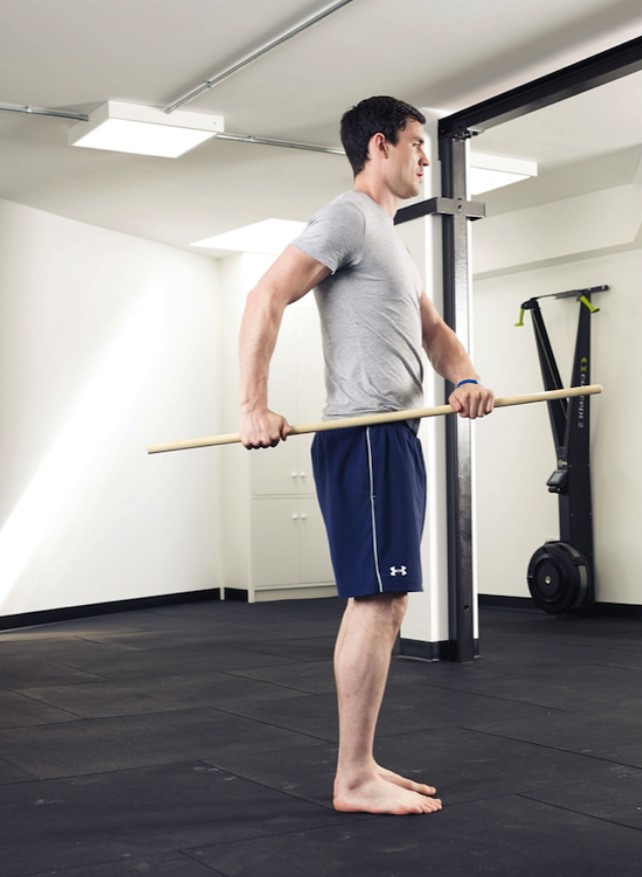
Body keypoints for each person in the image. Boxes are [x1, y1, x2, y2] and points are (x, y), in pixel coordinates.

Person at [238, 95, 494, 816]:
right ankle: (352, 776)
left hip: (398, 436)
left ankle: (364, 762)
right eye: (417, 143)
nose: (424, 157)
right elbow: (265, 296)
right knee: (377, 599)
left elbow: (436, 329)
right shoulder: (349, 216)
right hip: (367, 435)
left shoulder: (390, 236)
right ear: (379, 146)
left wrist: (467, 379)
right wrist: (252, 405)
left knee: (390, 598)